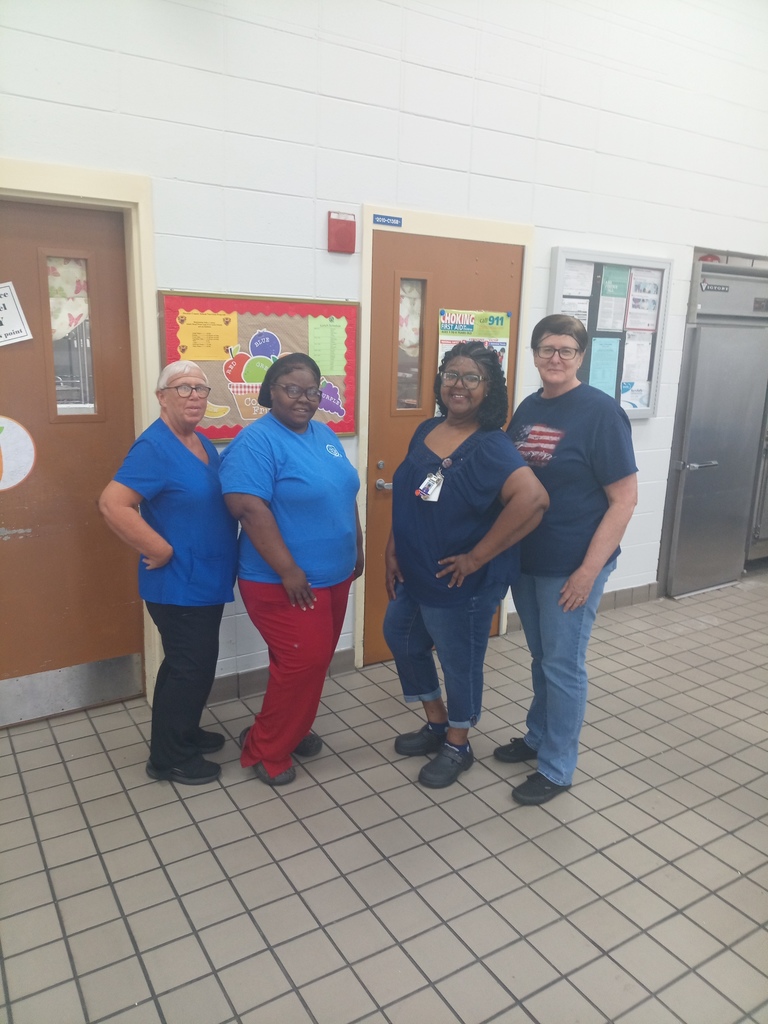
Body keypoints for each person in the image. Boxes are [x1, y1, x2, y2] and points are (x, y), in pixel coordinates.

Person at [384, 341, 549, 788]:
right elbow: (417, 492)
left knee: (460, 663)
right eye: (451, 375)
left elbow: (533, 500)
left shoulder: (491, 445)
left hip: (463, 583)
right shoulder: (428, 429)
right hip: (418, 570)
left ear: (488, 388)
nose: (458, 385)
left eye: (471, 378)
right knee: (398, 634)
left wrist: (477, 556)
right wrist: (393, 546)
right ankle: (436, 722)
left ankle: (459, 743)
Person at [494, 314, 638, 805]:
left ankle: (557, 768)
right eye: (546, 349)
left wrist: (588, 571)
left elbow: (624, 499)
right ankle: (537, 737)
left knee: (563, 665)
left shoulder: (600, 413)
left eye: (566, 351)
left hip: (572, 566)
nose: (555, 359)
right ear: (534, 354)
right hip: (528, 559)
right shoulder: (530, 407)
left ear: (580, 357)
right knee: (544, 659)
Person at [220, 353, 363, 786]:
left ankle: (289, 728)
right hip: (283, 582)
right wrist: (288, 570)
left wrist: (356, 545)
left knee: (305, 664)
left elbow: (346, 491)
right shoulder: (256, 440)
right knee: (306, 661)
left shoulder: (325, 434)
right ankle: (265, 748)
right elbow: (246, 506)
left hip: (334, 576)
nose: (304, 399)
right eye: (292, 389)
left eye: (313, 391)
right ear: (270, 392)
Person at [99, 360, 238, 785]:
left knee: (196, 663)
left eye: (201, 388)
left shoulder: (199, 441)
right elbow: (112, 503)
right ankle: (169, 758)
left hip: (205, 577)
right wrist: (156, 547)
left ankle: (185, 731)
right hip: (177, 583)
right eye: (183, 389)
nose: (195, 396)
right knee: (187, 665)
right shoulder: (154, 448)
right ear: (162, 397)